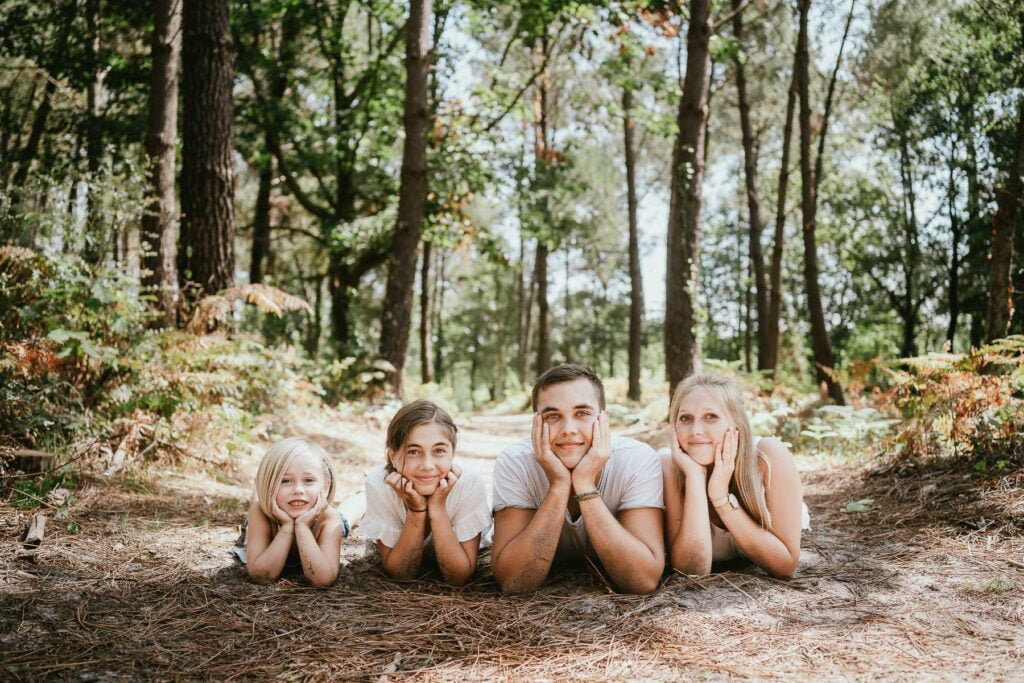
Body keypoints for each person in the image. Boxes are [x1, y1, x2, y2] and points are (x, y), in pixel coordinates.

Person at [491, 364, 665, 594]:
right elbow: (513, 582)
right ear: (536, 423)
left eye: (582, 414)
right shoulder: (516, 462)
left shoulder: (636, 460)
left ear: (603, 420)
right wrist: (559, 485)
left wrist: (584, 484)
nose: (568, 429)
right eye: (553, 416)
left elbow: (643, 581)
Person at [661, 374, 808, 579]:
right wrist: (695, 478)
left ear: (737, 424)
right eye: (685, 418)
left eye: (711, 416)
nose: (695, 431)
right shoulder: (670, 466)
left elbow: (785, 565)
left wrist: (721, 498)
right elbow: (691, 571)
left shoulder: (768, 457)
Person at [361, 400, 491, 586]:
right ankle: (357, 502)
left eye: (439, 450)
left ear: (452, 454)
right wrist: (416, 512)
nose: (427, 466)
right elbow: (400, 575)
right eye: (413, 451)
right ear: (392, 456)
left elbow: (458, 577)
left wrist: (437, 508)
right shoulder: (379, 484)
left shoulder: (468, 484)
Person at [244, 436, 346, 587]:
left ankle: (361, 496)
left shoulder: (329, 518)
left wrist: (303, 527)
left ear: (325, 485)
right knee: (258, 502)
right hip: (271, 509)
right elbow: (261, 576)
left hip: (320, 517)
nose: (298, 490)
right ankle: (257, 486)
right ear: (270, 483)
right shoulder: (260, 513)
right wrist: (287, 526)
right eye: (285, 481)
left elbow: (322, 579)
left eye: (309, 480)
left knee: (346, 515)